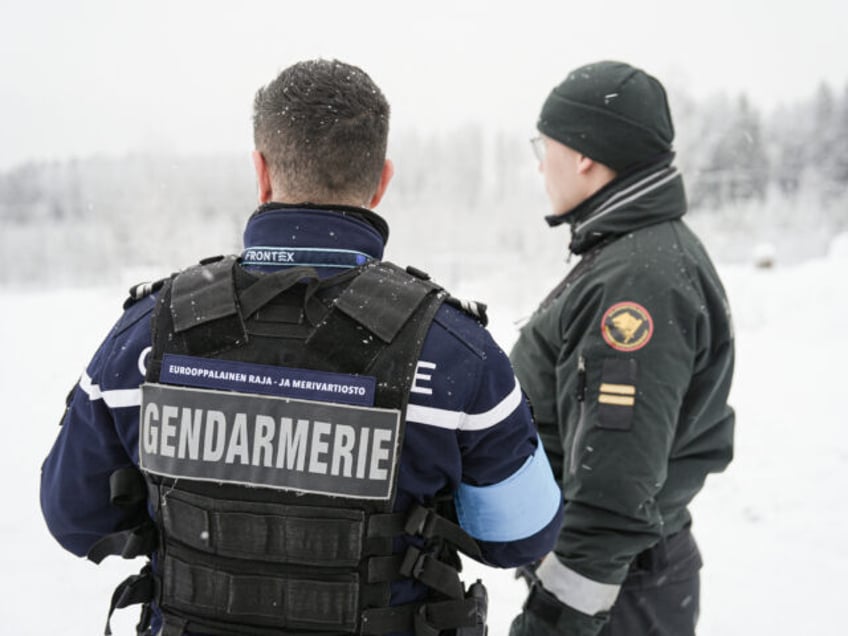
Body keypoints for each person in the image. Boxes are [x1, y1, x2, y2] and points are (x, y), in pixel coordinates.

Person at [40, 58, 564, 636]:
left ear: (261, 172)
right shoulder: (458, 353)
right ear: (381, 181)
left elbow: (77, 521)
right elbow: (520, 536)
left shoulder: (147, 335)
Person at [508, 61, 735, 636]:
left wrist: (554, 618)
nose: (541, 163)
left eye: (546, 145)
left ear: (585, 153)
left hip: (613, 594)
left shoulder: (638, 281)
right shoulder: (632, 255)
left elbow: (615, 483)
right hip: (619, 583)